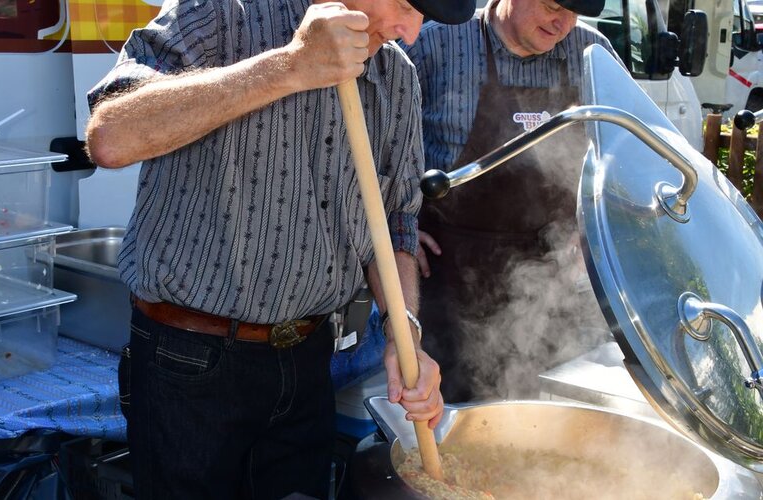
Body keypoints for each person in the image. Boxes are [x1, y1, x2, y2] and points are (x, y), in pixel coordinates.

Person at [84, 0, 475, 498]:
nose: (410, 33)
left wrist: (404, 332)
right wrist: (290, 66)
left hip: (309, 360)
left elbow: (395, 220)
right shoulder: (227, 13)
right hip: (189, 363)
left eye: (424, 19)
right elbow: (110, 136)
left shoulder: (395, 75)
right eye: (404, 6)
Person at [402, 0, 620, 403]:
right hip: (451, 278)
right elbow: (374, 142)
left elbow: (623, 151)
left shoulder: (593, 53)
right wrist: (398, 226)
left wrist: (592, 220)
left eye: (574, 13)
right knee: (451, 420)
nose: (563, 22)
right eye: (554, 5)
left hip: (550, 279)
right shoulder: (435, 44)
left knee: (549, 419)